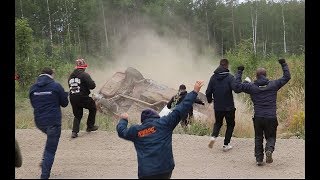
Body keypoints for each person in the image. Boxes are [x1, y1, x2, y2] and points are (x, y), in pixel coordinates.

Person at [116, 80, 205, 179]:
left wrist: (123, 120)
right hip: (165, 170)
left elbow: (122, 132)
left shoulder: (136, 131)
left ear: (143, 121)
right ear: (156, 117)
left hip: (146, 173)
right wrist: (195, 91)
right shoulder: (165, 123)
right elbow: (182, 108)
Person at [233, 59, 291, 166]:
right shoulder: (274, 85)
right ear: (266, 75)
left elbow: (236, 88)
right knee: (271, 137)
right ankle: (269, 149)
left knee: (258, 137)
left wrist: (240, 71)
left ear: (256, 76)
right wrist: (283, 64)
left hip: (258, 117)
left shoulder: (251, 87)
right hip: (271, 117)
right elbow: (287, 77)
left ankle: (259, 159)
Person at [29, 67, 69, 179]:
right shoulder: (56, 86)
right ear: (52, 74)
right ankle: (44, 175)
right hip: (53, 123)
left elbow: (34, 104)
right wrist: (65, 95)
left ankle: (45, 161)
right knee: (51, 149)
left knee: (49, 142)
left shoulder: (32, 88)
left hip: (39, 123)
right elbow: (64, 103)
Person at [205, 58, 237, 152]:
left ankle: (213, 137)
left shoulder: (213, 77)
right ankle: (226, 144)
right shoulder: (230, 77)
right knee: (230, 124)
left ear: (219, 65)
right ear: (227, 65)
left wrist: (210, 100)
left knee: (218, 123)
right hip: (229, 107)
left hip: (218, 106)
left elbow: (208, 91)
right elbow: (235, 88)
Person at [68, 58, 98, 138]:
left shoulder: (70, 76)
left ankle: (74, 132)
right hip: (82, 97)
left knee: (77, 115)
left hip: (72, 97)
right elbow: (92, 86)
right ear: (83, 67)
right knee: (93, 107)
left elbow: (70, 86)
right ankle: (90, 126)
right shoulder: (85, 75)